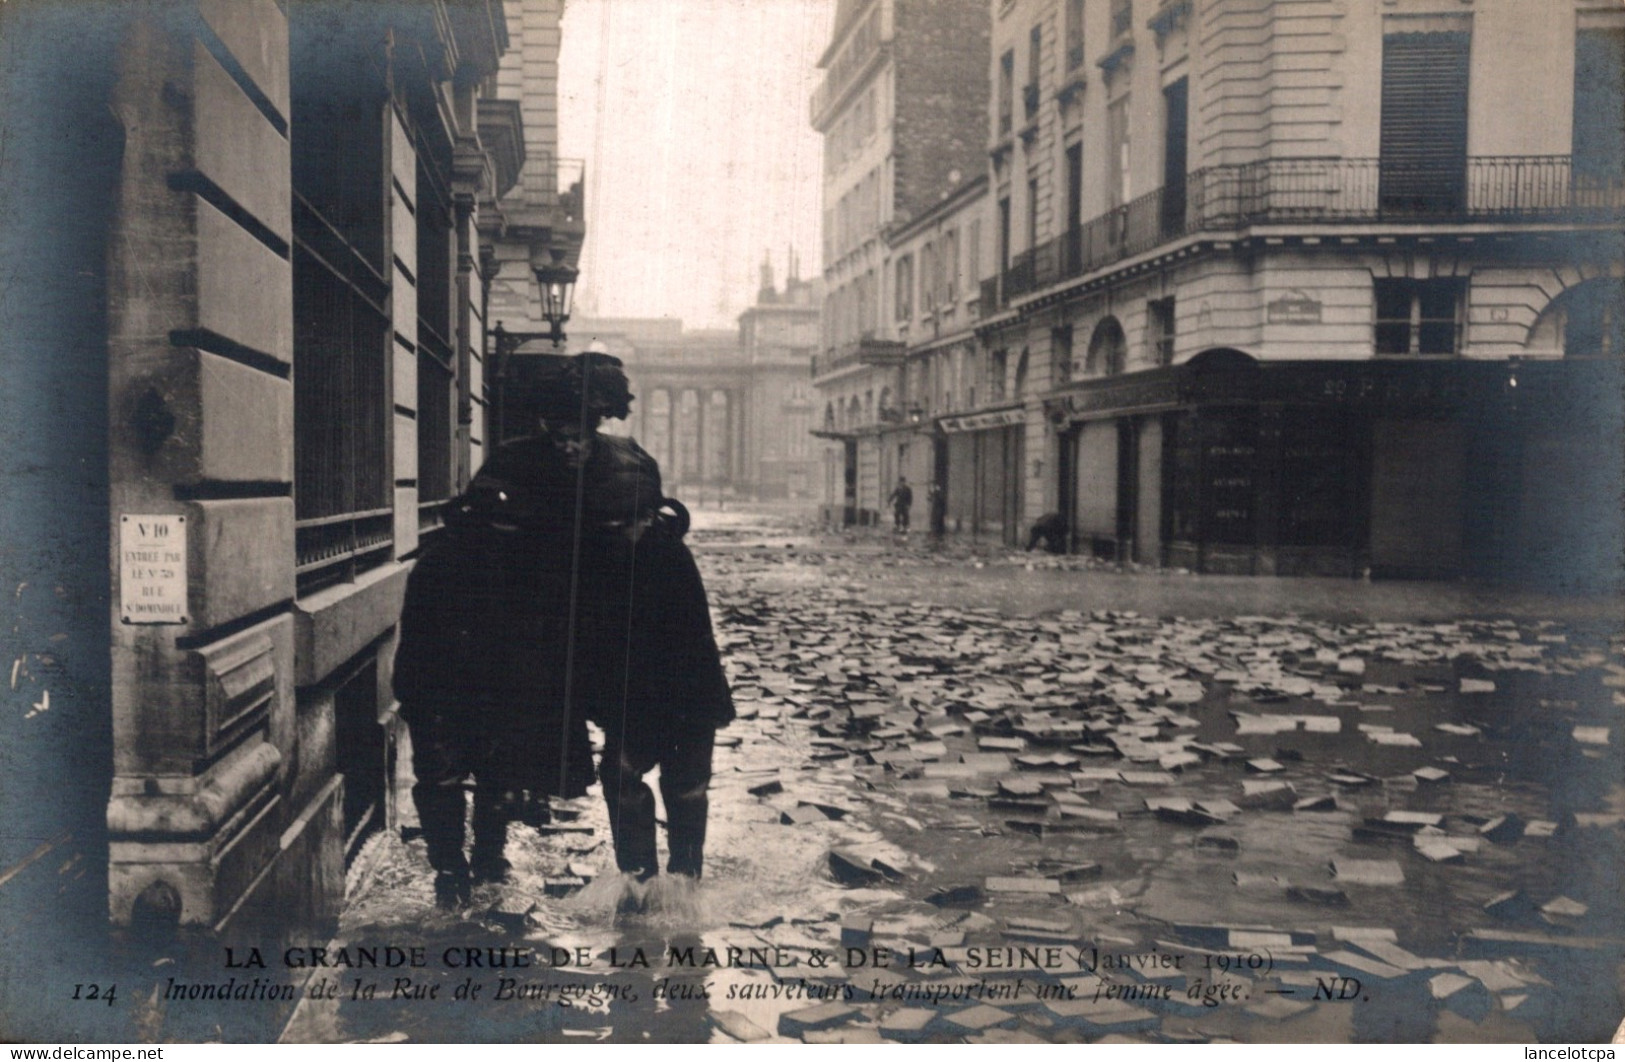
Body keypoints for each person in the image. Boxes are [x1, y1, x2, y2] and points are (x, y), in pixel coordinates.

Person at [392, 351, 644, 908]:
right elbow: (420, 637)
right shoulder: (452, 556)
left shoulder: (624, 466)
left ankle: (485, 856)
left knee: (498, 766)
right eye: (558, 430)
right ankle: (455, 869)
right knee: (455, 772)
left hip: (544, 642)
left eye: (578, 430)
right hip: (474, 668)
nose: (568, 443)